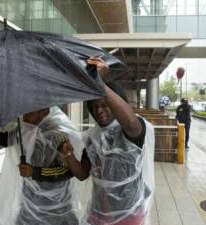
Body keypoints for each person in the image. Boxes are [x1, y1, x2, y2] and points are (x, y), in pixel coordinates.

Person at [59, 57, 155, 225]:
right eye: (94, 107)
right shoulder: (91, 138)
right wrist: (68, 156)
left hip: (129, 214)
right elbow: (82, 174)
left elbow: (131, 124)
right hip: (98, 213)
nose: (99, 111)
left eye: (104, 105)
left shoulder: (132, 129)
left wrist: (99, 83)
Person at [0, 107, 83, 225]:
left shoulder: (57, 135)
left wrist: (34, 172)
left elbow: (67, 171)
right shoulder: (25, 130)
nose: (24, 115)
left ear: (43, 112)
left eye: (29, 111)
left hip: (55, 206)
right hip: (31, 202)